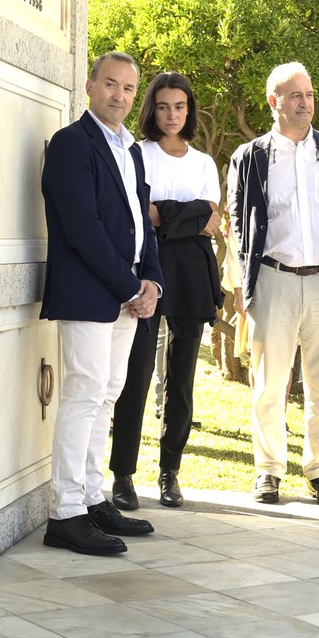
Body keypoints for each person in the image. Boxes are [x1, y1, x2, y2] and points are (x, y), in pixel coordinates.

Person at [39, 52, 164, 555]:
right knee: (84, 395)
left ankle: (92, 499)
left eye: (129, 89)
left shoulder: (130, 150)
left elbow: (141, 223)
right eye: (110, 84)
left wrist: (152, 279)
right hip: (90, 293)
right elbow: (82, 228)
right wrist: (128, 286)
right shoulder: (72, 144)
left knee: (107, 395)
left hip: (127, 294)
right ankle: (65, 513)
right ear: (90, 86)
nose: (119, 95)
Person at [226, 62, 319, 507]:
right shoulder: (250, 156)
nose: (306, 102)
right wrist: (244, 283)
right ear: (273, 102)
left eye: (310, 93)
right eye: (295, 95)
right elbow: (239, 226)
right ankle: (268, 471)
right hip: (273, 280)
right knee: (269, 385)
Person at [109, 72, 221, 510]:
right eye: (162, 106)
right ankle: (123, 475)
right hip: (147, 268)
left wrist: (169, 214)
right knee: (135, 376)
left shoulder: (204, 163)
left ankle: (170, 472)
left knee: (182, 380)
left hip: (193, 273)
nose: (171, 115)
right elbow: (140, 214)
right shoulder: (139, 154)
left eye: (179, 106)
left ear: (189, 109)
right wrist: (188, 215)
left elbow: (212, 219)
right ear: (151, 110)